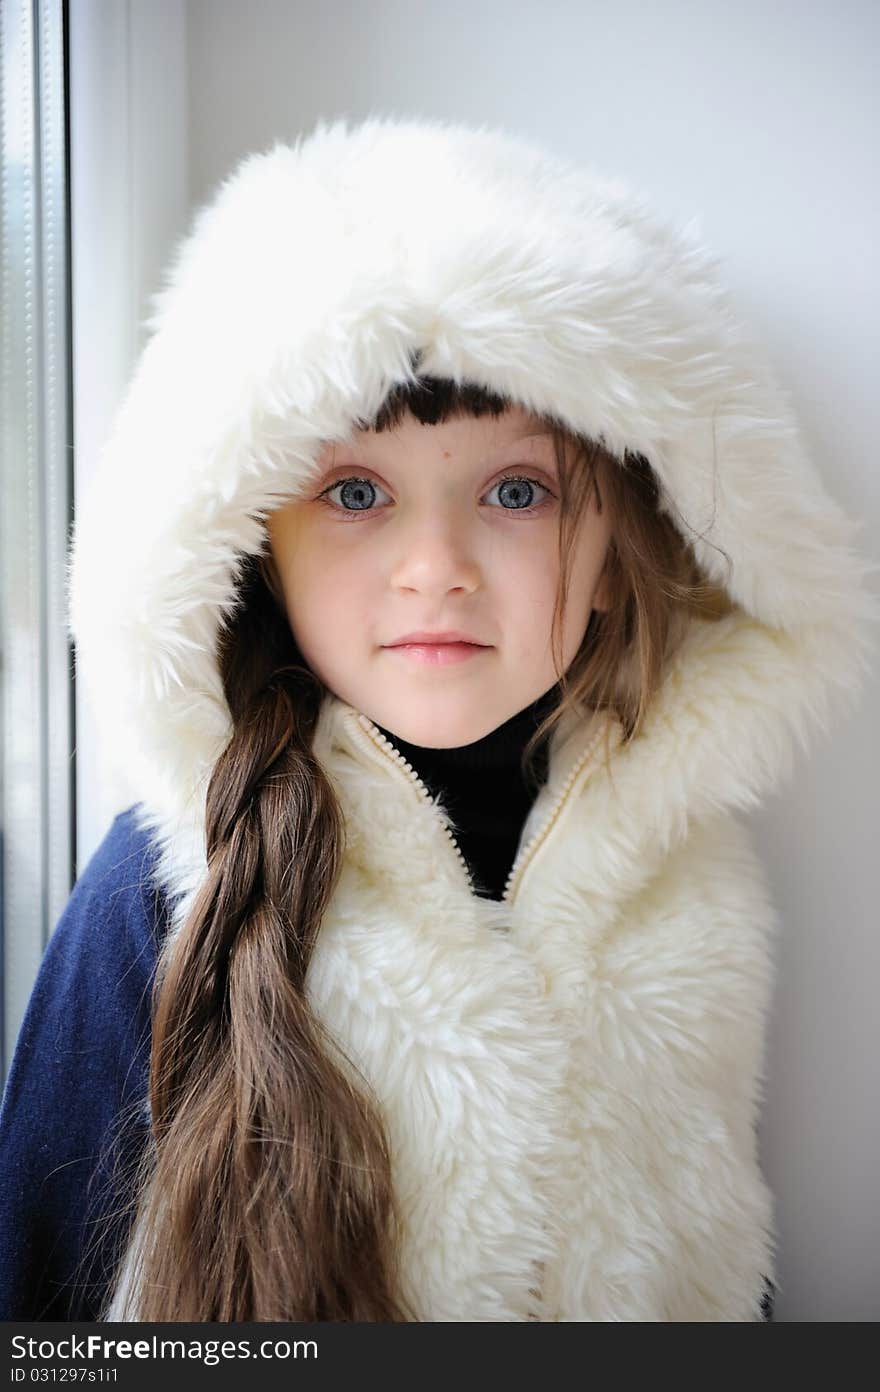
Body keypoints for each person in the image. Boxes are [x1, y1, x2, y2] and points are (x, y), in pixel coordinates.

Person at [0, 114, 875, 1323]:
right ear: (253, 550)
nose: (435, 567)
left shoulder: (691, 888)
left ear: (623, 554)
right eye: (354, 492)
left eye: (517, 491)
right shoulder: (160, 888)